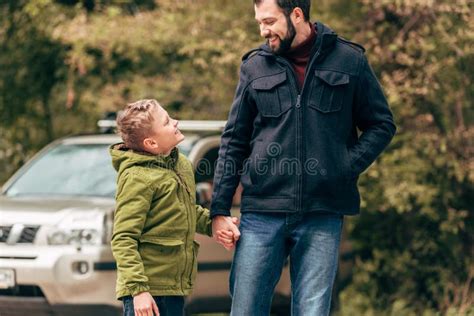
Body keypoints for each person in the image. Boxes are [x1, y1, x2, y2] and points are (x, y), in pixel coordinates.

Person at [210, 0, 396, 315]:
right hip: (260, 213)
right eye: (259, 22)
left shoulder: (349, 60)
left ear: (297, 14)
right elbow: (234, 139)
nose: (262, 30)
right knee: (244, 310)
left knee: (313, 311)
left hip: (322, 212)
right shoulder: (254, 66)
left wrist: (345, 167)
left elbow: (381, 124)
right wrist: (219, 208)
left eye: (269, 21)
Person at [109, 99, 228, 316]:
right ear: (151, 143)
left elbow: (185, 211)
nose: (175, 122)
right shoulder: (136, 177)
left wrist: (214, 224)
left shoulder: (180, 164)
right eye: (166, 122)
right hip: (147, 293)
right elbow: (123, 238)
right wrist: (138, 291)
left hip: (173, 287)